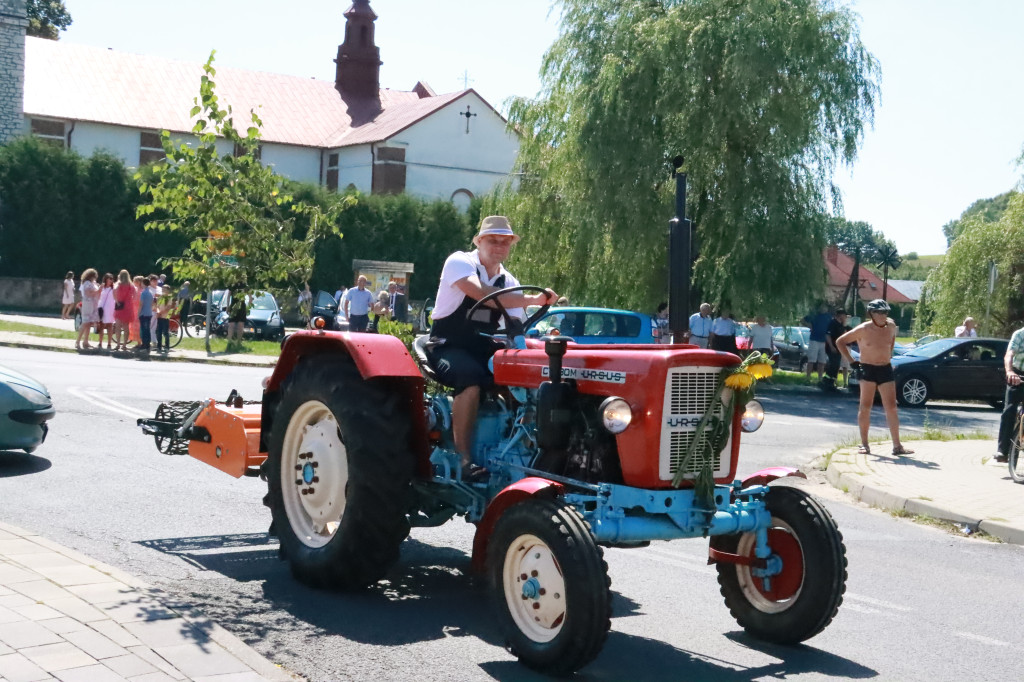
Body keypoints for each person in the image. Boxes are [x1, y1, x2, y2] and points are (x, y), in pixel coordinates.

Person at [426, 215, 556, 481]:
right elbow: (482, 294)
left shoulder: (508, 280)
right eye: (493, 240)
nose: (499, 246)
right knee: (471, 378)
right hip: (447, 345)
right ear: (479, 241)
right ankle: (464, 459)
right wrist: (533, 298)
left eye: (505, 242)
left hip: (481, 346)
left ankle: (524, 449)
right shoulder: (460, 262)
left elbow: (517, 321)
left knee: (529, 375)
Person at [836, 299, 914, 456]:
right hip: (868, 369)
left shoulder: (891, 326)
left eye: (886, 312)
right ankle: (864, 444)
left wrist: (886, 356)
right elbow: (840, 342)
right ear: (872, 314)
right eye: (881, 313)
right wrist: (852, 362)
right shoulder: (863, 328)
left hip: (885, 369)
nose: (884, 316)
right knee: (865, 406)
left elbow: (890, 342)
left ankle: (897, 446)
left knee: (891, 407)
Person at [995, 323, 1024, 463]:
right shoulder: (1019, 334)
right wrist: (1010, 371)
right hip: (1018, 375)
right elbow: (1009, 354)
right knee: (1009, 409)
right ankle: (1003, 451)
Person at [803, 304, 833, 380]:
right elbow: (803, 320)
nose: (824, 308)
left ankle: (820, 378)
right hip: (814, 340)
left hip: (824, 341)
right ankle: (808, 377)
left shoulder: (829, 317)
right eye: (822, 306)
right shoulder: (814, 315)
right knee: (811, 360)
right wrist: (809, 326)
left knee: (822, 361)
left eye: (825, 307)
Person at [823, 309, 849, 389]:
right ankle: (826, 380)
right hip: (832, 347)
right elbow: (828, 335)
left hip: (838, 348)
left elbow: (844, 335)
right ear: (840, 315)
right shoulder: (833, 323)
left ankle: (832, 381)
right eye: (844, 315)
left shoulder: (840, 324)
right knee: (833, 364)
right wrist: (831, 346)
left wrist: (844, 324)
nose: (845, 317)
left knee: (836, 365)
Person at [76, 269, 101, 350]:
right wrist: (98, 290)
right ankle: (78, 341)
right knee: (85, 323)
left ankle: (85, 341)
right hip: (88, 304)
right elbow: (88, 293)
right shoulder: (87, 283)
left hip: (93, 304)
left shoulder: (92, 283)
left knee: (89, 323)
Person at [112, 270, 135, 352]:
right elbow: (134, 294)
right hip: (128, 307)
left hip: (120, 305)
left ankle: (118, 344)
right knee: (126, 327)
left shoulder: (118, 284)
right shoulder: (131, 285)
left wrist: (116, 300)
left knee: (118, 326)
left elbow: (114, 290)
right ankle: (124, 344)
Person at [136, 275, 156, 353]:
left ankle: (144, 345)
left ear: (143, 284)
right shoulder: (150, 292)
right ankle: (148, 345)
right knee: (147, 329)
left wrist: (138, 313)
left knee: (144, 330)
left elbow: (141, 304)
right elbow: (152, 303)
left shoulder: (143, 293)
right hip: (149, 313)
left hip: (143, 313)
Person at [97, 273, 116, 350]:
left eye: (112, 279)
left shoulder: (113, 288)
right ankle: (100, 342)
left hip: (110, 308)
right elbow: (98, 295)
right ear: (106, 279)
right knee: (101, 326)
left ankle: (109, 343)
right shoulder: (102, 287)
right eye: (109, 279)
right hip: (102, 307)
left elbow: (115, 297)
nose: (111, 280)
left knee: (110, 326)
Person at [155, 285, 175, 352]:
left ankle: (167, 346)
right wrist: (158, 312)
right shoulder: (160, 297)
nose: (163, 291)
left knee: (165, 332)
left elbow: (168, 308)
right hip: (160, 316)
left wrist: (160, 312)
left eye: (165, 289)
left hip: (165, 316)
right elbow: (157, 306)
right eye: (162, 289)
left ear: (168, 291)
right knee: (159, 332)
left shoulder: (169, 298)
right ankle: (159, 346)